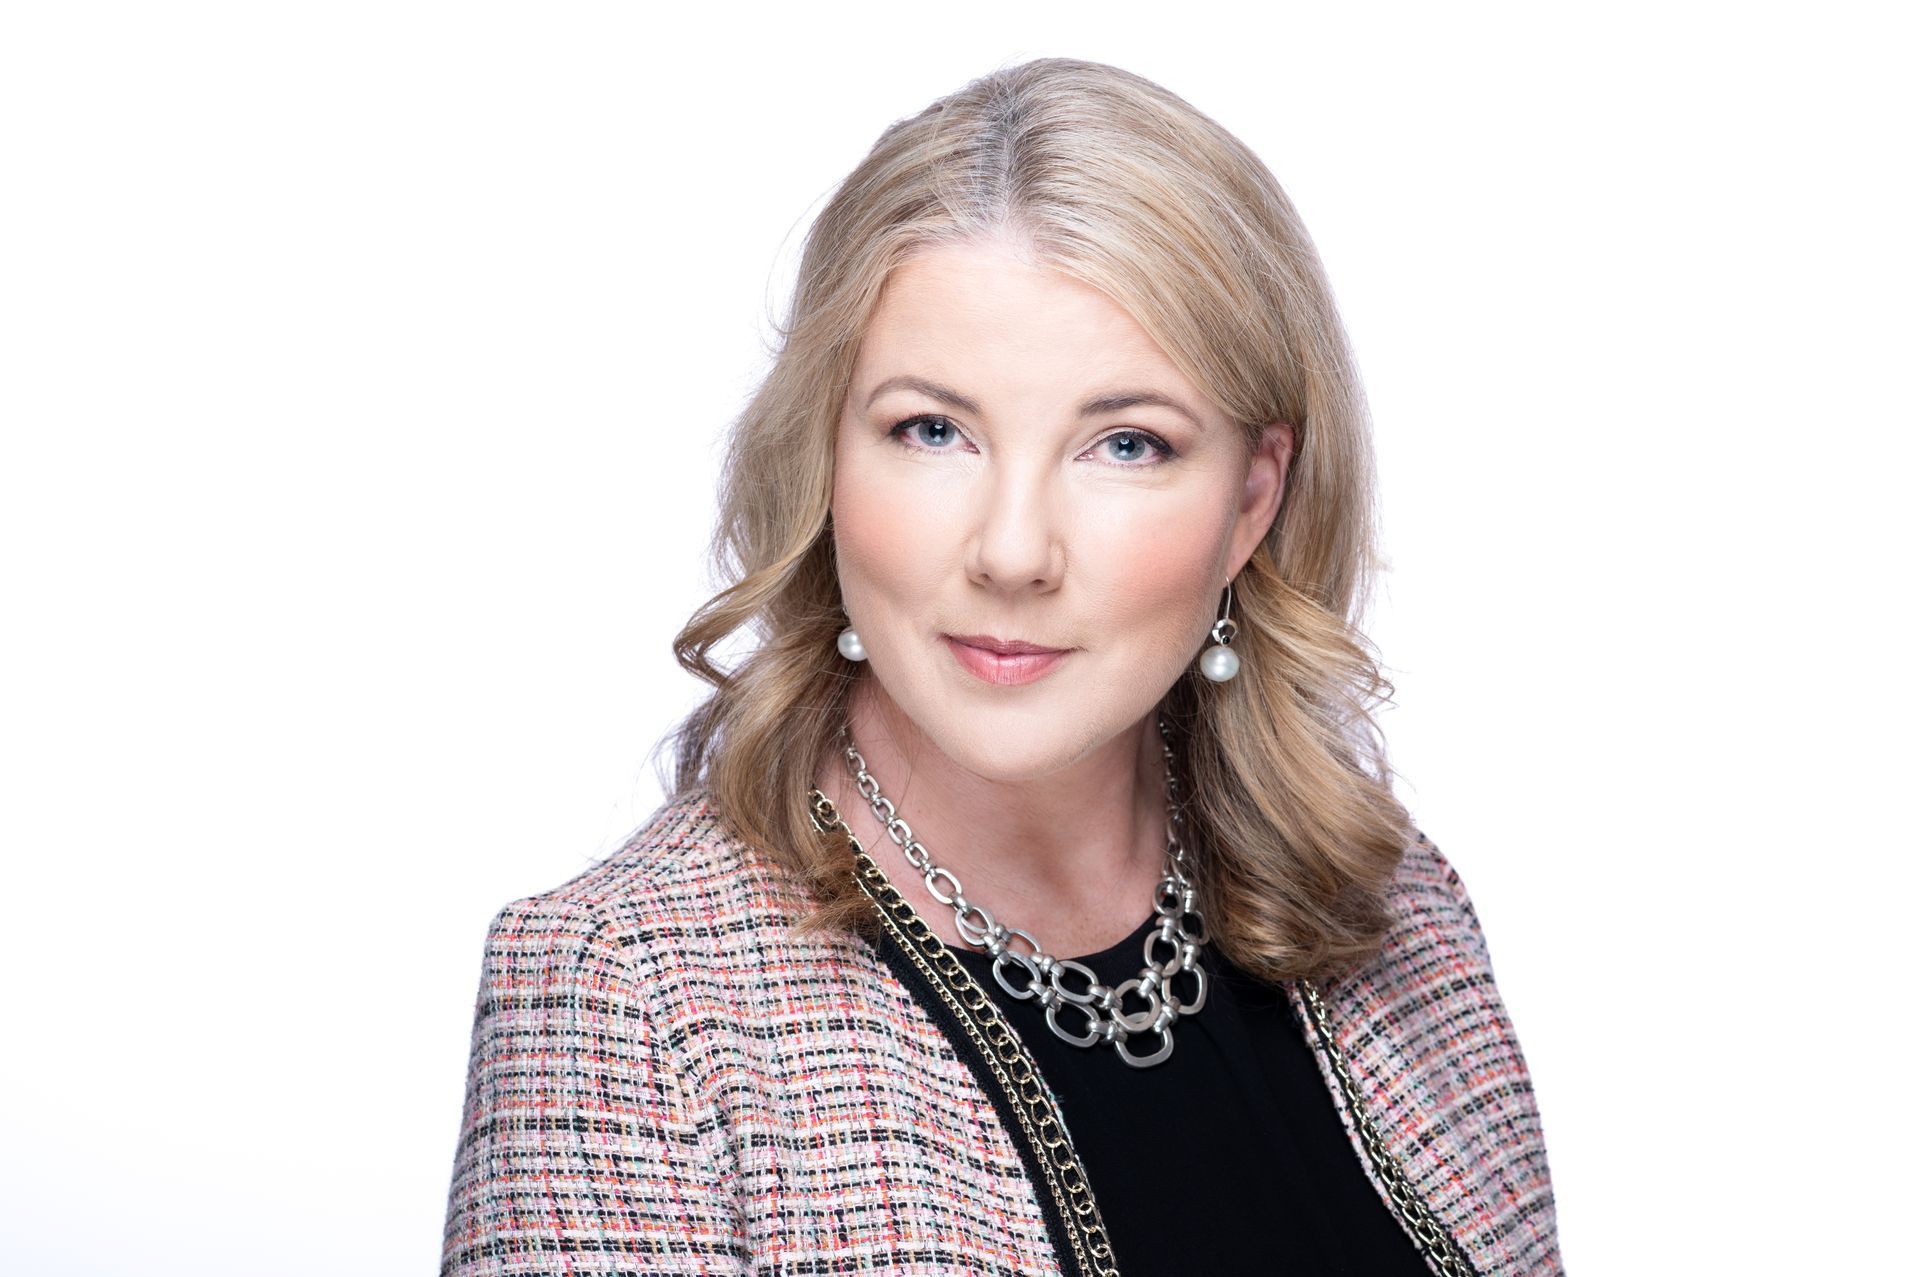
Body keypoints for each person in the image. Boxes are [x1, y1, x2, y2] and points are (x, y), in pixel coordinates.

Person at [439, 56, 1561, 1277]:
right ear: (826, 462)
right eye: (933, 430)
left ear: (1252, 496)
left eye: (1125, 443)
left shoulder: (1398, 911)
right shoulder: (624, 995)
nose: (1014, 550)